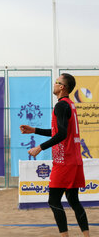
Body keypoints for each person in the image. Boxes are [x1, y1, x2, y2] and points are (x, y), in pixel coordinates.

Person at [20, 73, 90, 237]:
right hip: (74, 160)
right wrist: (34, 130)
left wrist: (40, 147)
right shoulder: (69, 104)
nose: (54, 84)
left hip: (64, 161)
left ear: (62, 87)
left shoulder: (60, 106)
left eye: (56, 82)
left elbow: (62, 134)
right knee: (73, 201)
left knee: (53, 200)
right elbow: (59, 131)